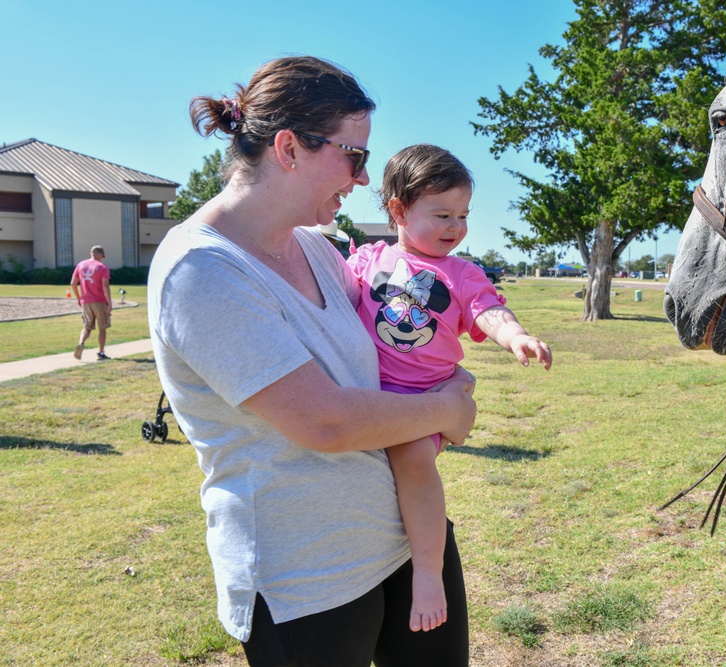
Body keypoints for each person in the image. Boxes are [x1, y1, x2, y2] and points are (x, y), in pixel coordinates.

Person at [146, 57, 478, 667]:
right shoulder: (201, 269)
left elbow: (386, 349)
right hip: (306, 579)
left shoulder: (318, 249)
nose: (360, 178)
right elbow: (324, 422)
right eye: (353, 157)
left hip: (403, 543)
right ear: (289, 148)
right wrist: (447, 409)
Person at [346, 144, 553, 633]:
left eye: (462, 215)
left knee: (413, 463)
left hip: (423, 401)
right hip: (368, 396)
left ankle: (427, 573)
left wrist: (515, 336)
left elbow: (488, 310)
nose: (455, 227)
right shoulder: (368, 258)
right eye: (442, 214)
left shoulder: (461, 273)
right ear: (398, 210)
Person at [70, 245, 112, 360]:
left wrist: (79, 298)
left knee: (86, 327)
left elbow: (73, 283)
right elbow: (105, 286)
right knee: (102, 327)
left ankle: (81, 343)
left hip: (85, 301)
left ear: (91, 253)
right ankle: (101, 352)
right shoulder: (102, 267)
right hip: (99, 301)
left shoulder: (80, 265)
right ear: (100, 254)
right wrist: (110, 303)